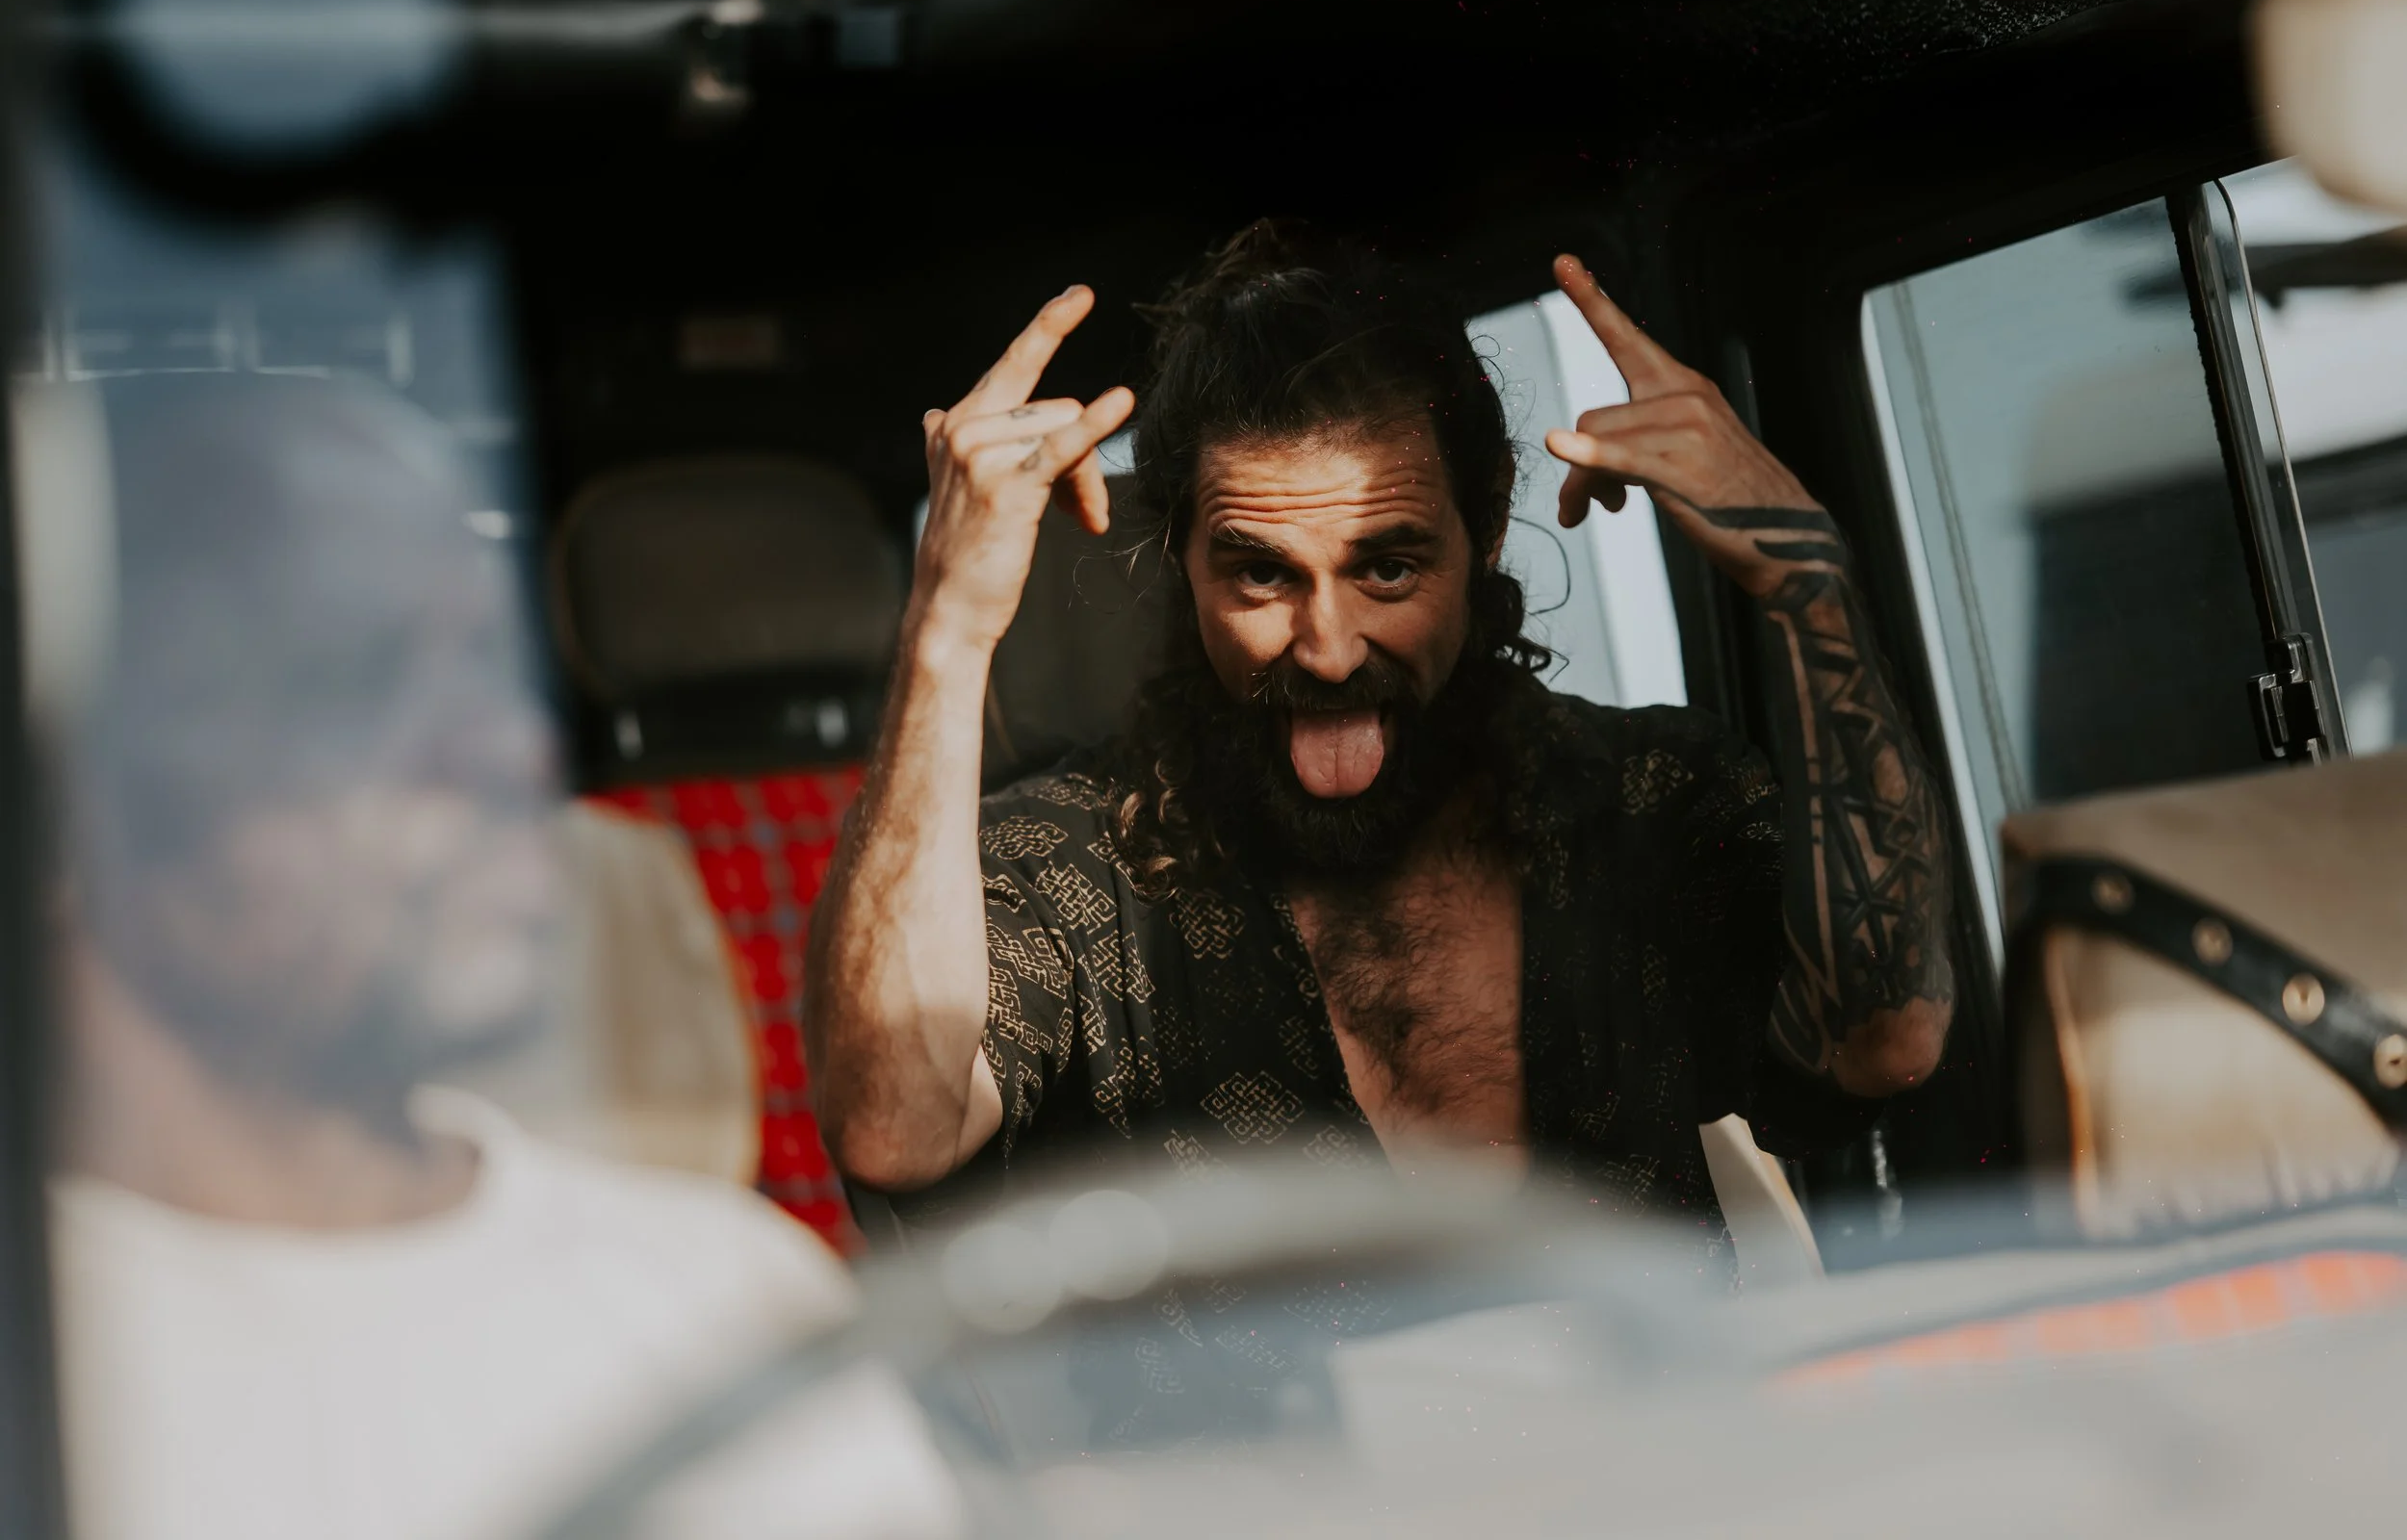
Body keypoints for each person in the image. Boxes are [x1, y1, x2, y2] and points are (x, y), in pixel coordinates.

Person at [808, 222, 1954, 1247]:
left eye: (1388, 567)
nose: (1328, 647)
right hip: (1260, 1483)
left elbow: (1881, 1041)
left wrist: (1807, 576)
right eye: (1260, 575)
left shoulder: (1645, 799)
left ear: (1488, 525)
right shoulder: (1067, 868)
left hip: (1647, 1468)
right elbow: (895, 1130)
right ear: (1180, 563)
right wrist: (948, 627)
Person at [44, 373, 862, 1540]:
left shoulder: (729, 1299)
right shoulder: (53, 1363)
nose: (508, 744)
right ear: (74, 801)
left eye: (489, 660)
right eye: (345, 679)